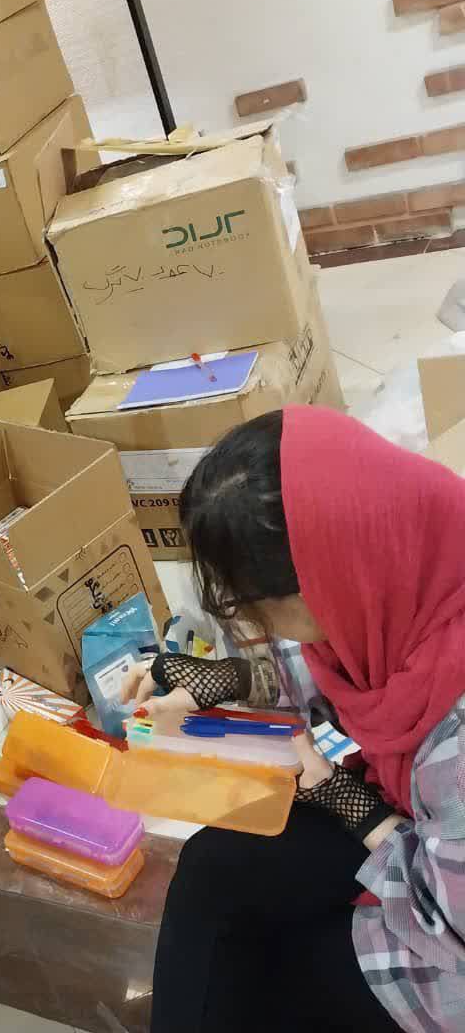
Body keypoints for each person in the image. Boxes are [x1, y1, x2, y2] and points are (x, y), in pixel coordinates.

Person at [123, 406, 465, 1033]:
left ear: (330, 583)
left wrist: (350, 805)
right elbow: (358, 660)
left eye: (257, 605)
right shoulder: (414, 553)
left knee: (269, 974)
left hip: (449, 937)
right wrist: (228, 680)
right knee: (214, 867)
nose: (256, 627)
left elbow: (448, 928)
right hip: (415, 827)